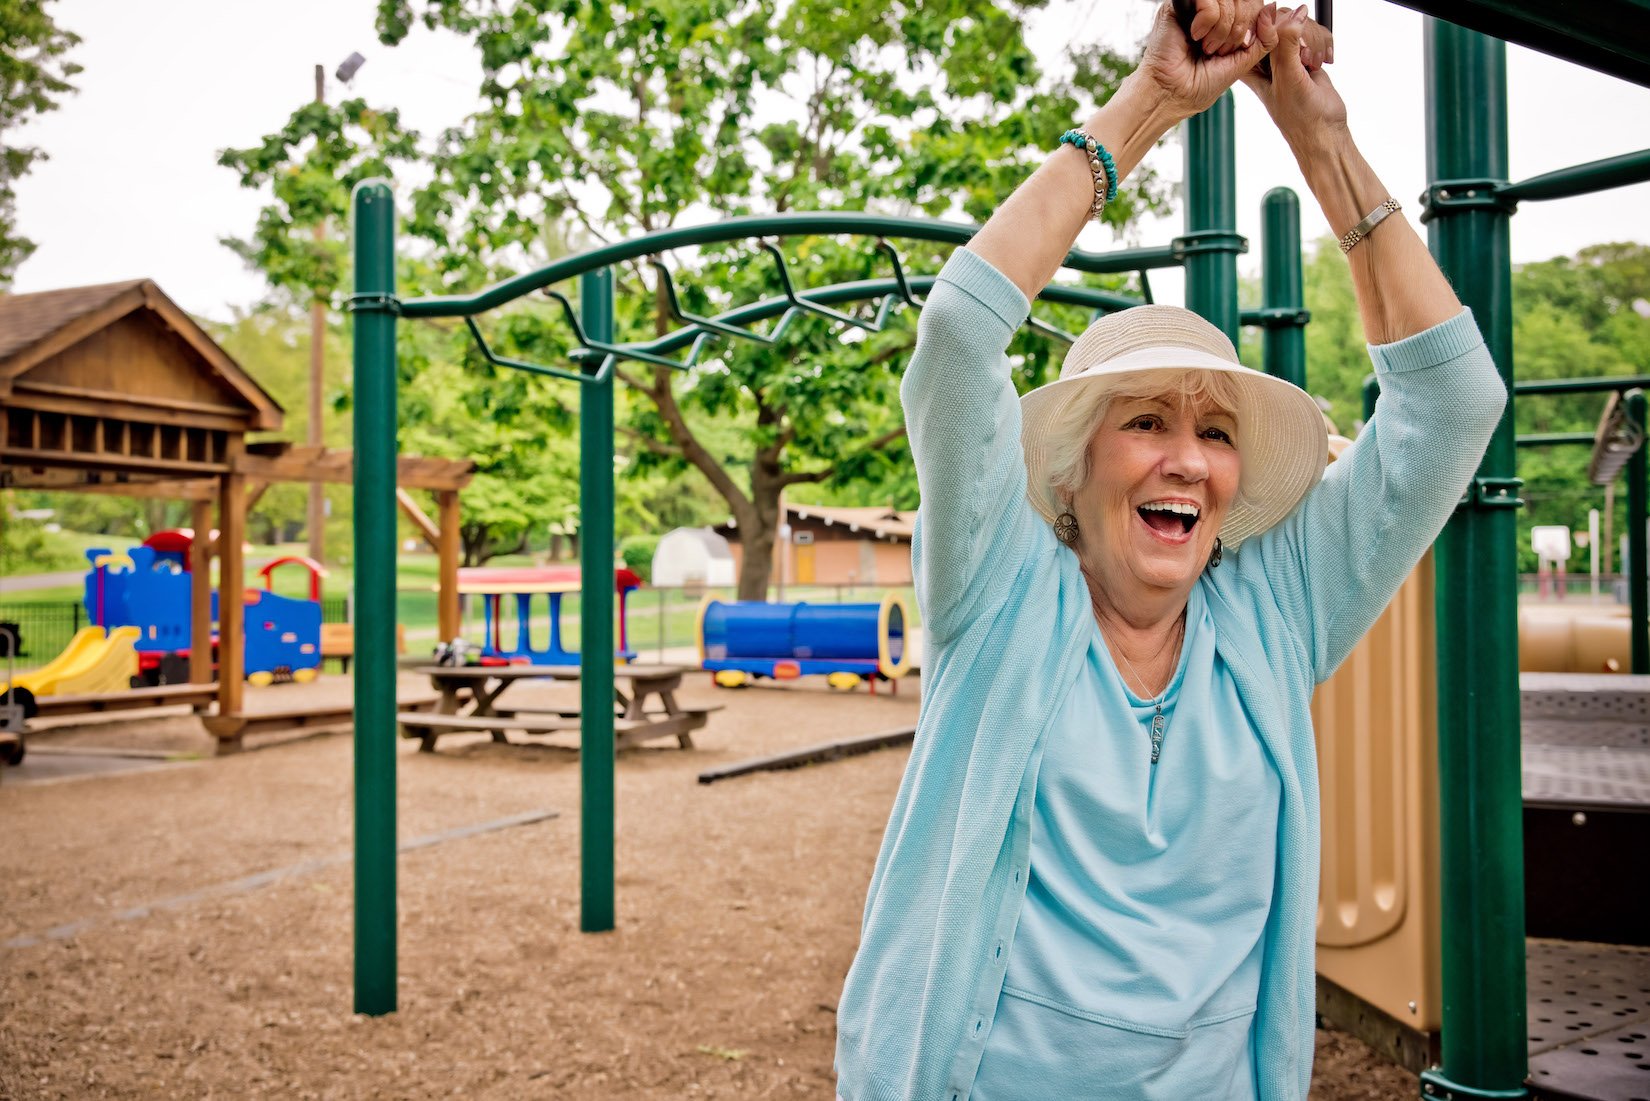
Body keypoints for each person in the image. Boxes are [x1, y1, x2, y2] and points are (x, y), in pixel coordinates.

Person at [833, 4, 1506, 1099]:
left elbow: (1454, 400)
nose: (1187, 461)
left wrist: (1319, 143)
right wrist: (1151, 104)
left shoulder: (1275, 613)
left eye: (1217, 432)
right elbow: (960, 335)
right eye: (1146, 421)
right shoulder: (998, 590)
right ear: (1074, 466)